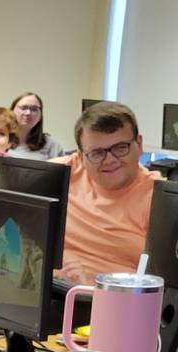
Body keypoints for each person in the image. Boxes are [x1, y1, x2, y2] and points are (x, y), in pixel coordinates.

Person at [54, 101, 162, 283]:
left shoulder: (160, 200)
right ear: (81, 157)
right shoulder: (59, 174)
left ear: (139, 144)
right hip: (53, 293)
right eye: (97, 153)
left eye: (121, 147)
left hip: (119, 303)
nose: (110, 160)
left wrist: (92, 281)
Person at [8, 92, 65, 160]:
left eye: (34, 109)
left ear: (40, 116)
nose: (28, 113)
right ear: (11, 112)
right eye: (23, 108)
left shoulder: (53, 146)